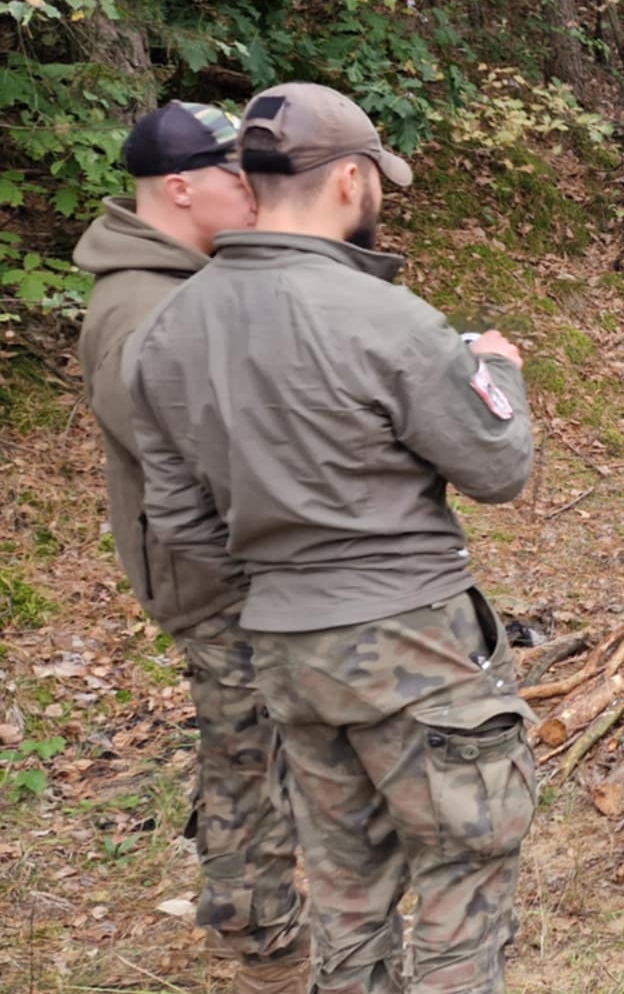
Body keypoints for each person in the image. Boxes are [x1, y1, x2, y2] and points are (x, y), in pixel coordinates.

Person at [126, 82, 537, 994]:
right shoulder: (387, 319)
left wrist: (286, 570)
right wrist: (498, 370)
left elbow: (184, 520)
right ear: (351, 180)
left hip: (285, 648)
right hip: (415, 645)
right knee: (462, 869)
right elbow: (499, 469)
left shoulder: (168, 332)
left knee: (347, 884)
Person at [74, 102, 308, 994]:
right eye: (235, 177)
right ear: (179, 186)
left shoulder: (184, 278)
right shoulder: (138, 309)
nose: (253, 194)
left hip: (238, 568)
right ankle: (265, 944)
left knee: (259, 744)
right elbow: (201, 458)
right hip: (217, 583)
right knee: (247, 754)